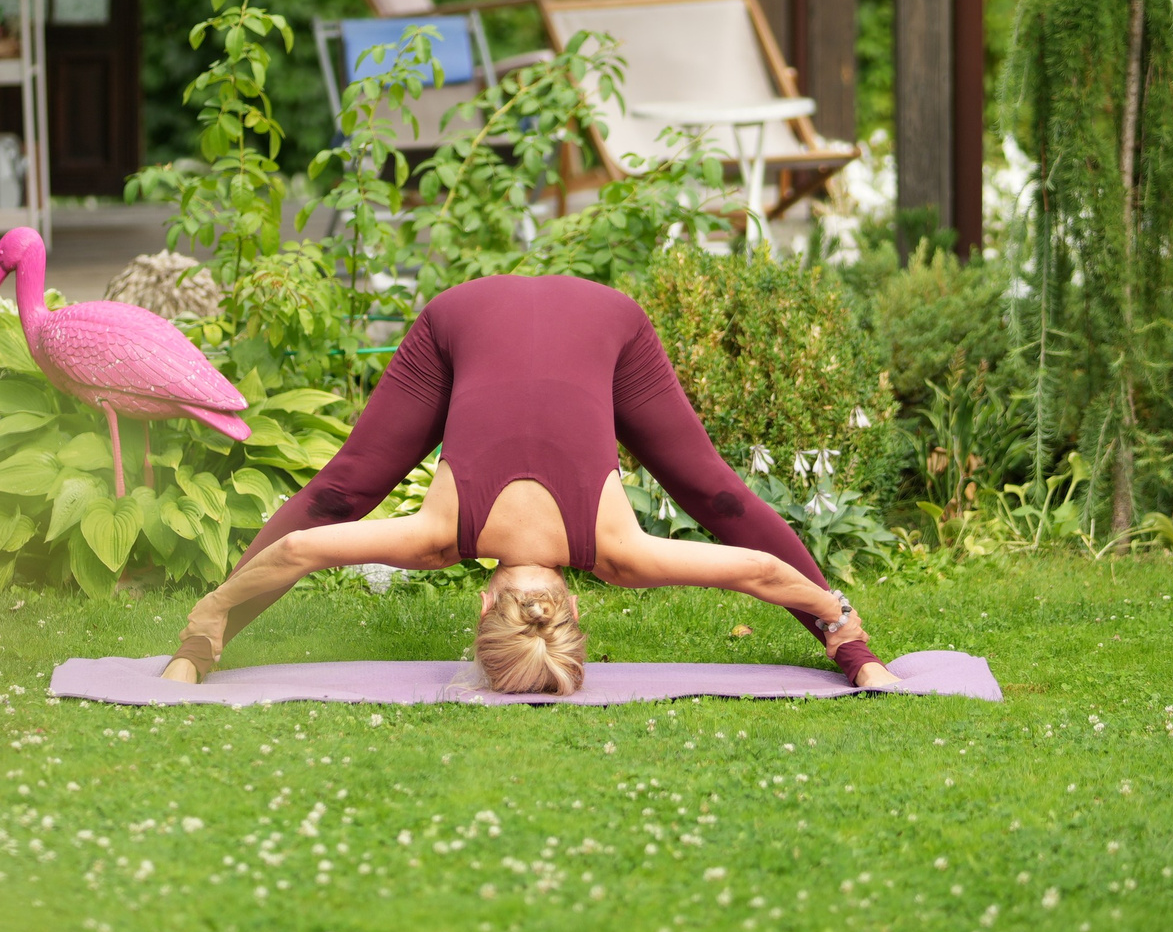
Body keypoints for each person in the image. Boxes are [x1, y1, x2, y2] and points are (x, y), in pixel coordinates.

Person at [169, 274, 889, 694]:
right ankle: (198, 650)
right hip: (577, 321)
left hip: (482, 317)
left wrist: (842, 624)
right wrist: (210, 615)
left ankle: (855, 657)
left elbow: (759, 573)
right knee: (339, 496)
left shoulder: (618, 555)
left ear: (571, 606)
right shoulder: (439, 539)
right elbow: (302, 549)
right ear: (484, 606)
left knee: (717, 495)